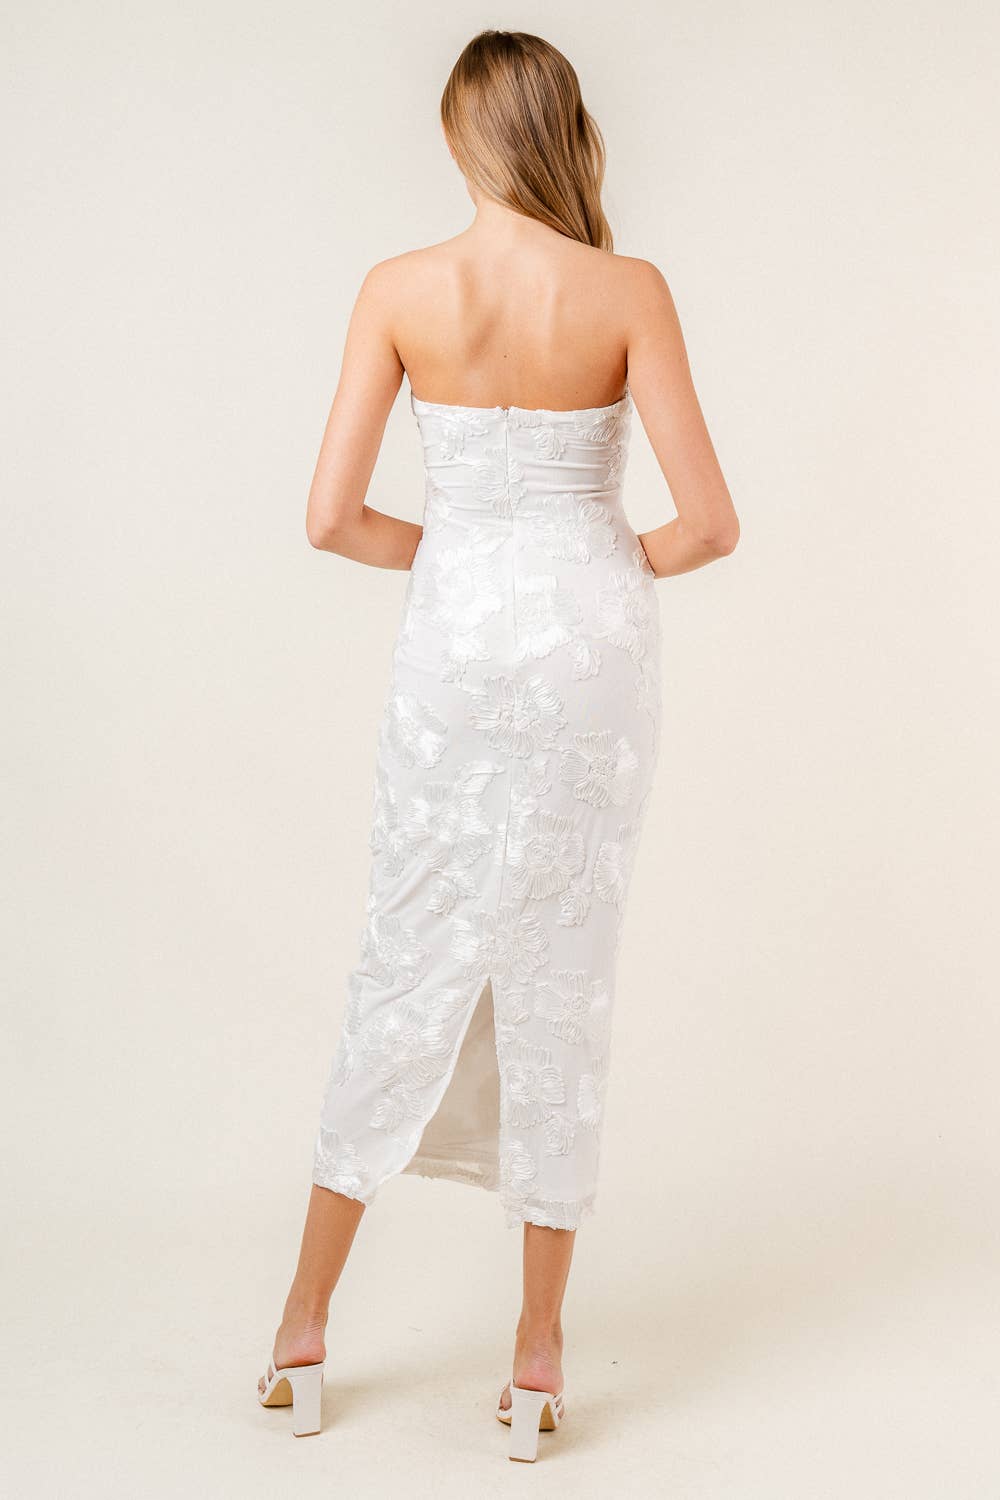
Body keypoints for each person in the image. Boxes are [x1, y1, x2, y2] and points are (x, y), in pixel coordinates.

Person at [257, 27, 739, 1461]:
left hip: (456, 644)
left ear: (463, 139)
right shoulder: (626, 288)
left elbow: (332, 517)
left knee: (405, 952)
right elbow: (707, 525)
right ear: (563, 133)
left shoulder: (401, 289)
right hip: (593, 648)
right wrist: (592, 569)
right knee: (560, 975)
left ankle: (299, 1333)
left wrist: (464, 551)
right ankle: (537, 1364)